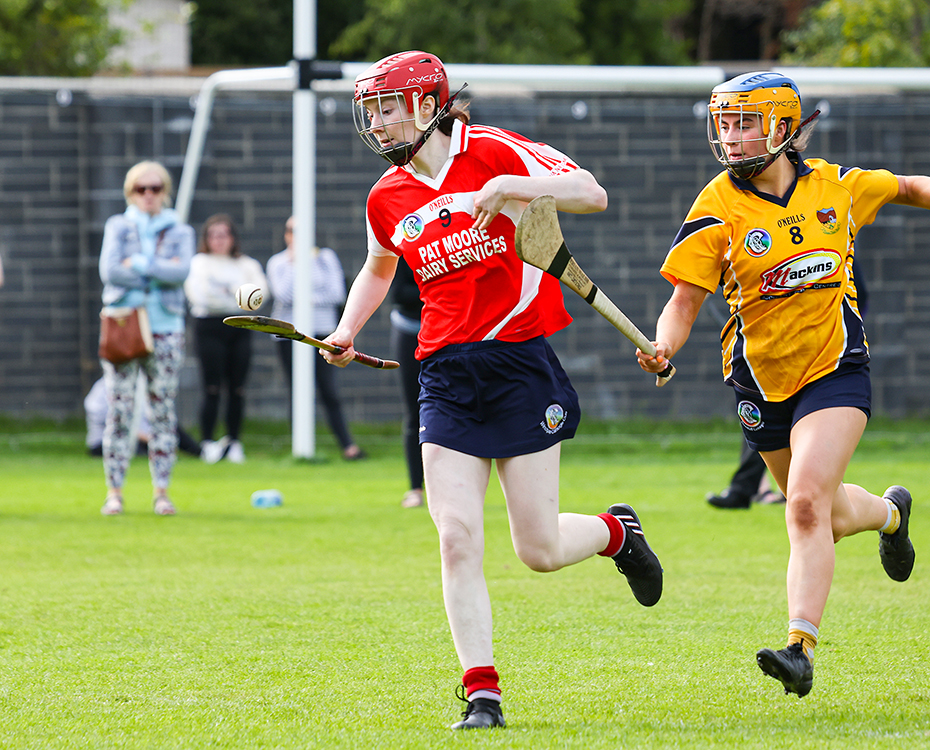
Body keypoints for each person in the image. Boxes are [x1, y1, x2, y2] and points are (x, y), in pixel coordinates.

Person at [637, 71, 930, 698]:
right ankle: (891, 514)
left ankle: (800, 647)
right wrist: (664, 345)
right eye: (724, 123)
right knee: (828, 516)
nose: (731, 137)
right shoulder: (716, 205)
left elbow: (909, 185)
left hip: (836, 369)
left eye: (745, 122)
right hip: (759, 384)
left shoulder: (835, 187)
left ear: (783, 127)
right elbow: (683, 301)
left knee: (804, 503)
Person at [321, 50, 663, 730]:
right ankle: (483, 693)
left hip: (518, 365)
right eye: (372, 112)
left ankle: (615, 535)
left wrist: (509, 186)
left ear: (427, 105)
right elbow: (377, 266)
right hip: (443, 373)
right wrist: (346, 327)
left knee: (536, 550)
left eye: (388, 108)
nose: (378, 123)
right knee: (455, 537)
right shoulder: (385, 196)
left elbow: (592, 193)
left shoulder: (496, 150)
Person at [707, 261, 868, 510]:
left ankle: (749, 488)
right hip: (768, 365)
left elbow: (860, 293)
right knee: (823, 510)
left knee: (809, 499)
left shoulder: (831, 235)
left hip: (821, 362)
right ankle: (748, 488)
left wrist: (842, 328)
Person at [98, 160, 195, 516]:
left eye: (155, 188)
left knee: (163, 411)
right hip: (124, 323)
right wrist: (158, 268)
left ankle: (161, 492)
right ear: (131, 192)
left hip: (166, 326)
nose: (149, 195)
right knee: (119, 411)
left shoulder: (180, 231)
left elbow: (181, 271)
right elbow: (108, 270)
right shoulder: (118, 225)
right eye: (142, 189)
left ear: (164, 191)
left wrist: (137, 264)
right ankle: (114, 492)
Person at [266, 216, 365, 460]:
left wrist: (307, 299)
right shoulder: (278, 263)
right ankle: (299, 447)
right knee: (297, 390)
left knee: (329, 390)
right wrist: (296, 262)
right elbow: (284, 295)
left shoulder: (325, 258)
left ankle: (347, 445)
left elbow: (337, 293)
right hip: (290, 335)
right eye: (292, 231)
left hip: (323, 332)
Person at [184, 213, 269, 463]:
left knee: (237, 388)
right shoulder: (199, 263)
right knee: (211, 387)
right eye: (213, 235)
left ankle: (233, 441)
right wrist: (235, 295)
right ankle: (208, 442)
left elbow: (261, 294)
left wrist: (227, 293)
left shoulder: (247, 264)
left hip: (240, 326)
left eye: (223, 235)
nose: (219, 240)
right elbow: (200, 296)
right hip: (209, 326)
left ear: (232, 238)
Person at [85, 376, 201, 458]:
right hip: (106, 442)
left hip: (139, 439)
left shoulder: (139, 386)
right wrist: (148, 438)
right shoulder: (106, 386)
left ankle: (200, 452)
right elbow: (109, 421)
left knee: (169, 425)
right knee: (142, 454)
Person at [389, 258, 425, 508]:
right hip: (410, 330)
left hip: (451, 332)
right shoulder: (407, 242)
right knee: (415, 412)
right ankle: (416, 488)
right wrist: (435, 289)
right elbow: (399, 293)